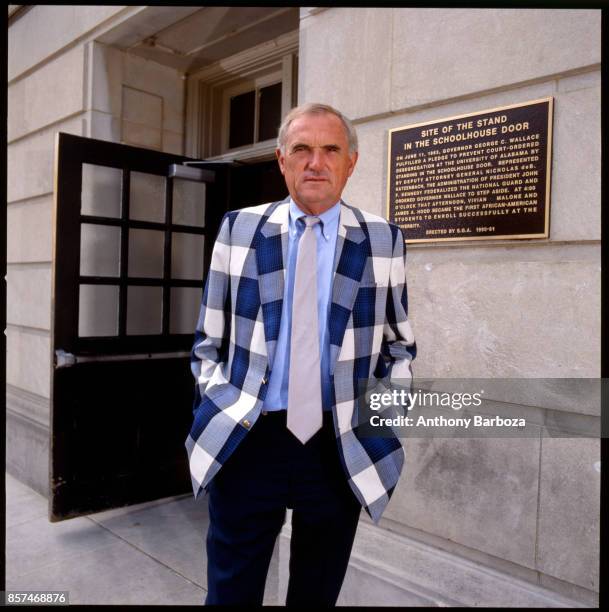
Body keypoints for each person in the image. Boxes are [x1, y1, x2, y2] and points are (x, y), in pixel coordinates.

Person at [185, 102, 416, 606]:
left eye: (330, 149)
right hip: (249, 440)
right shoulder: (239, 229)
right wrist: (219, 400)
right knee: (231, 591)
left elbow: (399, 345)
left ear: (350, 162)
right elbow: (209, 339)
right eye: (302, 149)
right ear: (281, 160)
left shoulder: (383, 239)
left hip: (338, 444)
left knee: (317, 591)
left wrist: (383, 415)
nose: (317, 162)